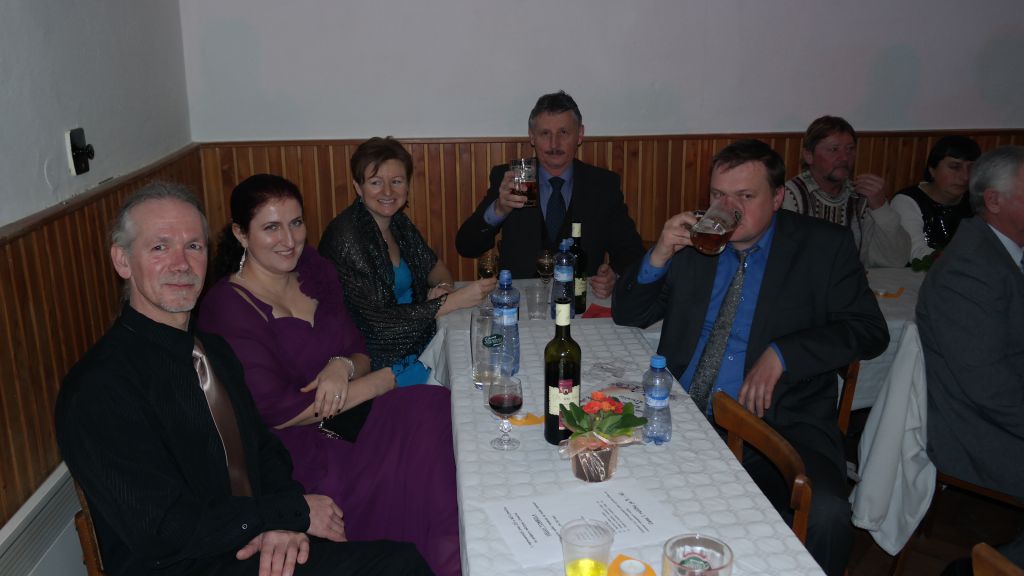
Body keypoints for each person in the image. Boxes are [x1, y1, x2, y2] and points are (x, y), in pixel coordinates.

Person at [55, 182, 432, 576]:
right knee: (396, 565)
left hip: (250, 539)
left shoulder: (212, 351)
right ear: (122, 260)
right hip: (185, 565)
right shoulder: (99, 388)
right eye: (160, 247)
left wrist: (283, 521)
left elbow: (263, 449)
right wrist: (283, 513)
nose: (181, 264)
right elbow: (162, 528)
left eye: (193, 246)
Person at [613, 140, 889, 576]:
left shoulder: (822, 247)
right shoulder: (696, 243)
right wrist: (660, 253)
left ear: (777, 197)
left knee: (828, 514)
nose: (728, 209)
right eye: (718, 195)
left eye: (745, 196)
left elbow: (870, 331)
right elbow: (629, 313)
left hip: (782, 420)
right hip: (681, 414)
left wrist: (785, 353)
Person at [198, 173, 461, 576]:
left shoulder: (312, 268)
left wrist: (343, 365)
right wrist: (384, 380)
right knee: (424, 436)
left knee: (436, 408)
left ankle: (459, 557)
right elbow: (281, 411)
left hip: (350, 418)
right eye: (271, 228)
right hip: (298, 452)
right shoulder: (228, 306)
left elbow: (360, 350)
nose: (289, 240)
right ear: (240, 233)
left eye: (296, 223)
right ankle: (438, 559)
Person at [917, 146, 1024, 572]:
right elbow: (989, 388)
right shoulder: (969, 271)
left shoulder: (1007, 251)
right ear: (994, 201)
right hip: (976, 430)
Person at [318, 138, 494, 386]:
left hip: (418, 345)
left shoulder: (398, 222)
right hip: (376, 365)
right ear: (358, 186)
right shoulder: (347, 238)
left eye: (397, 181)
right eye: (376, 182)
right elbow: (379, 326)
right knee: (473, 377)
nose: (388, 192)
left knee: (485, 361)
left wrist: (442, 288)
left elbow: (436, 268)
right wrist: (450, 302)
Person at [454, 90, 645, 298]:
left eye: (563, 133)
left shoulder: (602, 185)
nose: (554, 144)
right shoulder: (511, 178)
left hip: (581, 301)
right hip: (518, 303)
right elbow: (466, 246)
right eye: (545, 133)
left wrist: (614, 275)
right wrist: (499, 209)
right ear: (532, 136)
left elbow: (632, 252)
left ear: (580, 134)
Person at [783, 115, 910, 267]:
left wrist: (880, 206)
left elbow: (897, 260)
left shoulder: (861, 197)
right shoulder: (789, 196)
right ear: (809, 156)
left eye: (850, 149)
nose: (844, 157)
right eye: (834, 149)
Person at [891, 135, 981, 261]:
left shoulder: (977, 200)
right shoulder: (907, 201)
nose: (965, 177)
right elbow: (915, 251)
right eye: (955, 167)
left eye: (971, 168)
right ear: (932, 169)